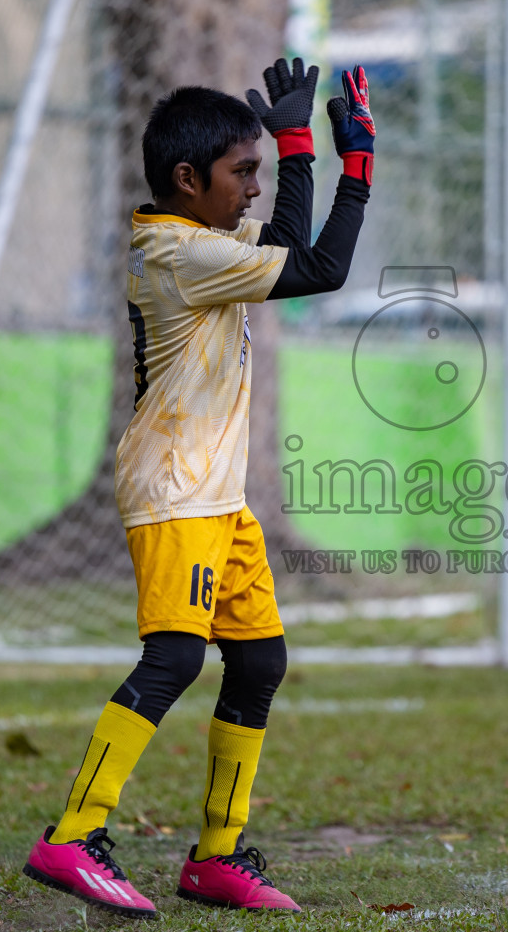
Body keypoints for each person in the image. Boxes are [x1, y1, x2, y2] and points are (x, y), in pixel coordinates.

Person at [20, 59, 376, 917]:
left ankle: (217, 857)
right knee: (175, 657)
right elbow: (319, 267)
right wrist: (351, 167)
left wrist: (295, 148)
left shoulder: (196, 236)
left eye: (257, 173)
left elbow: (289, 246)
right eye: (241, 173)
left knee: (257, 662)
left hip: (218, 494)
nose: (253, 190)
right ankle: (71, 836)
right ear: (188, 180)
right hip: (174, 487)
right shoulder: (179, 253)